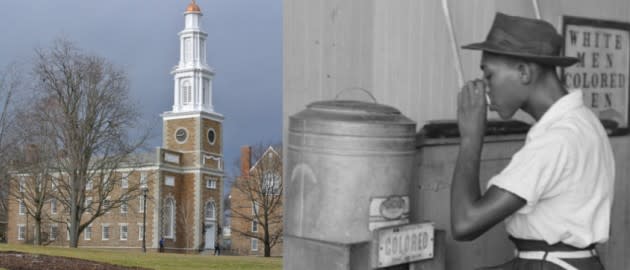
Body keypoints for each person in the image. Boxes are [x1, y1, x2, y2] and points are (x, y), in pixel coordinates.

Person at [451, 12, 614, 270]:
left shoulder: (558, 138)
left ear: (524, 72)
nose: (484, 87)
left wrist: (471, 137)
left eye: (489, 75)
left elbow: (465, 223)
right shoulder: (580, 121)